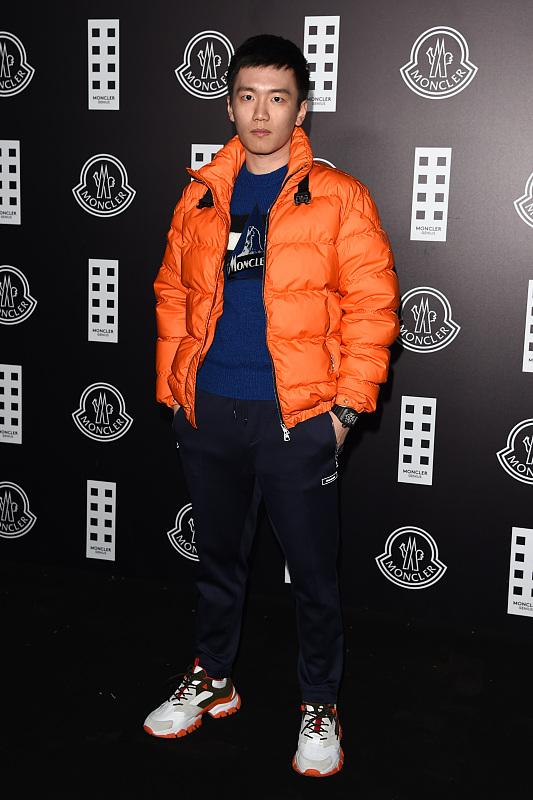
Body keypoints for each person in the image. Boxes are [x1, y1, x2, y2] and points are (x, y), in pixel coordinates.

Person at [145, 34, 399, 778]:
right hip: (212, 411)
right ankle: (213, 677)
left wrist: (345, 412)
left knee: (313, 576)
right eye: (247, 96)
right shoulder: (198, 196)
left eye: (277, 97)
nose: (261, 112)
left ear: (301, 108)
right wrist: (177, 392)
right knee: (218, 562)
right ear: (229, 106)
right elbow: (172, 293)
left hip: (297, 419)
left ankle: (319, 703)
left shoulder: (340, 195)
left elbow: (373, 306)